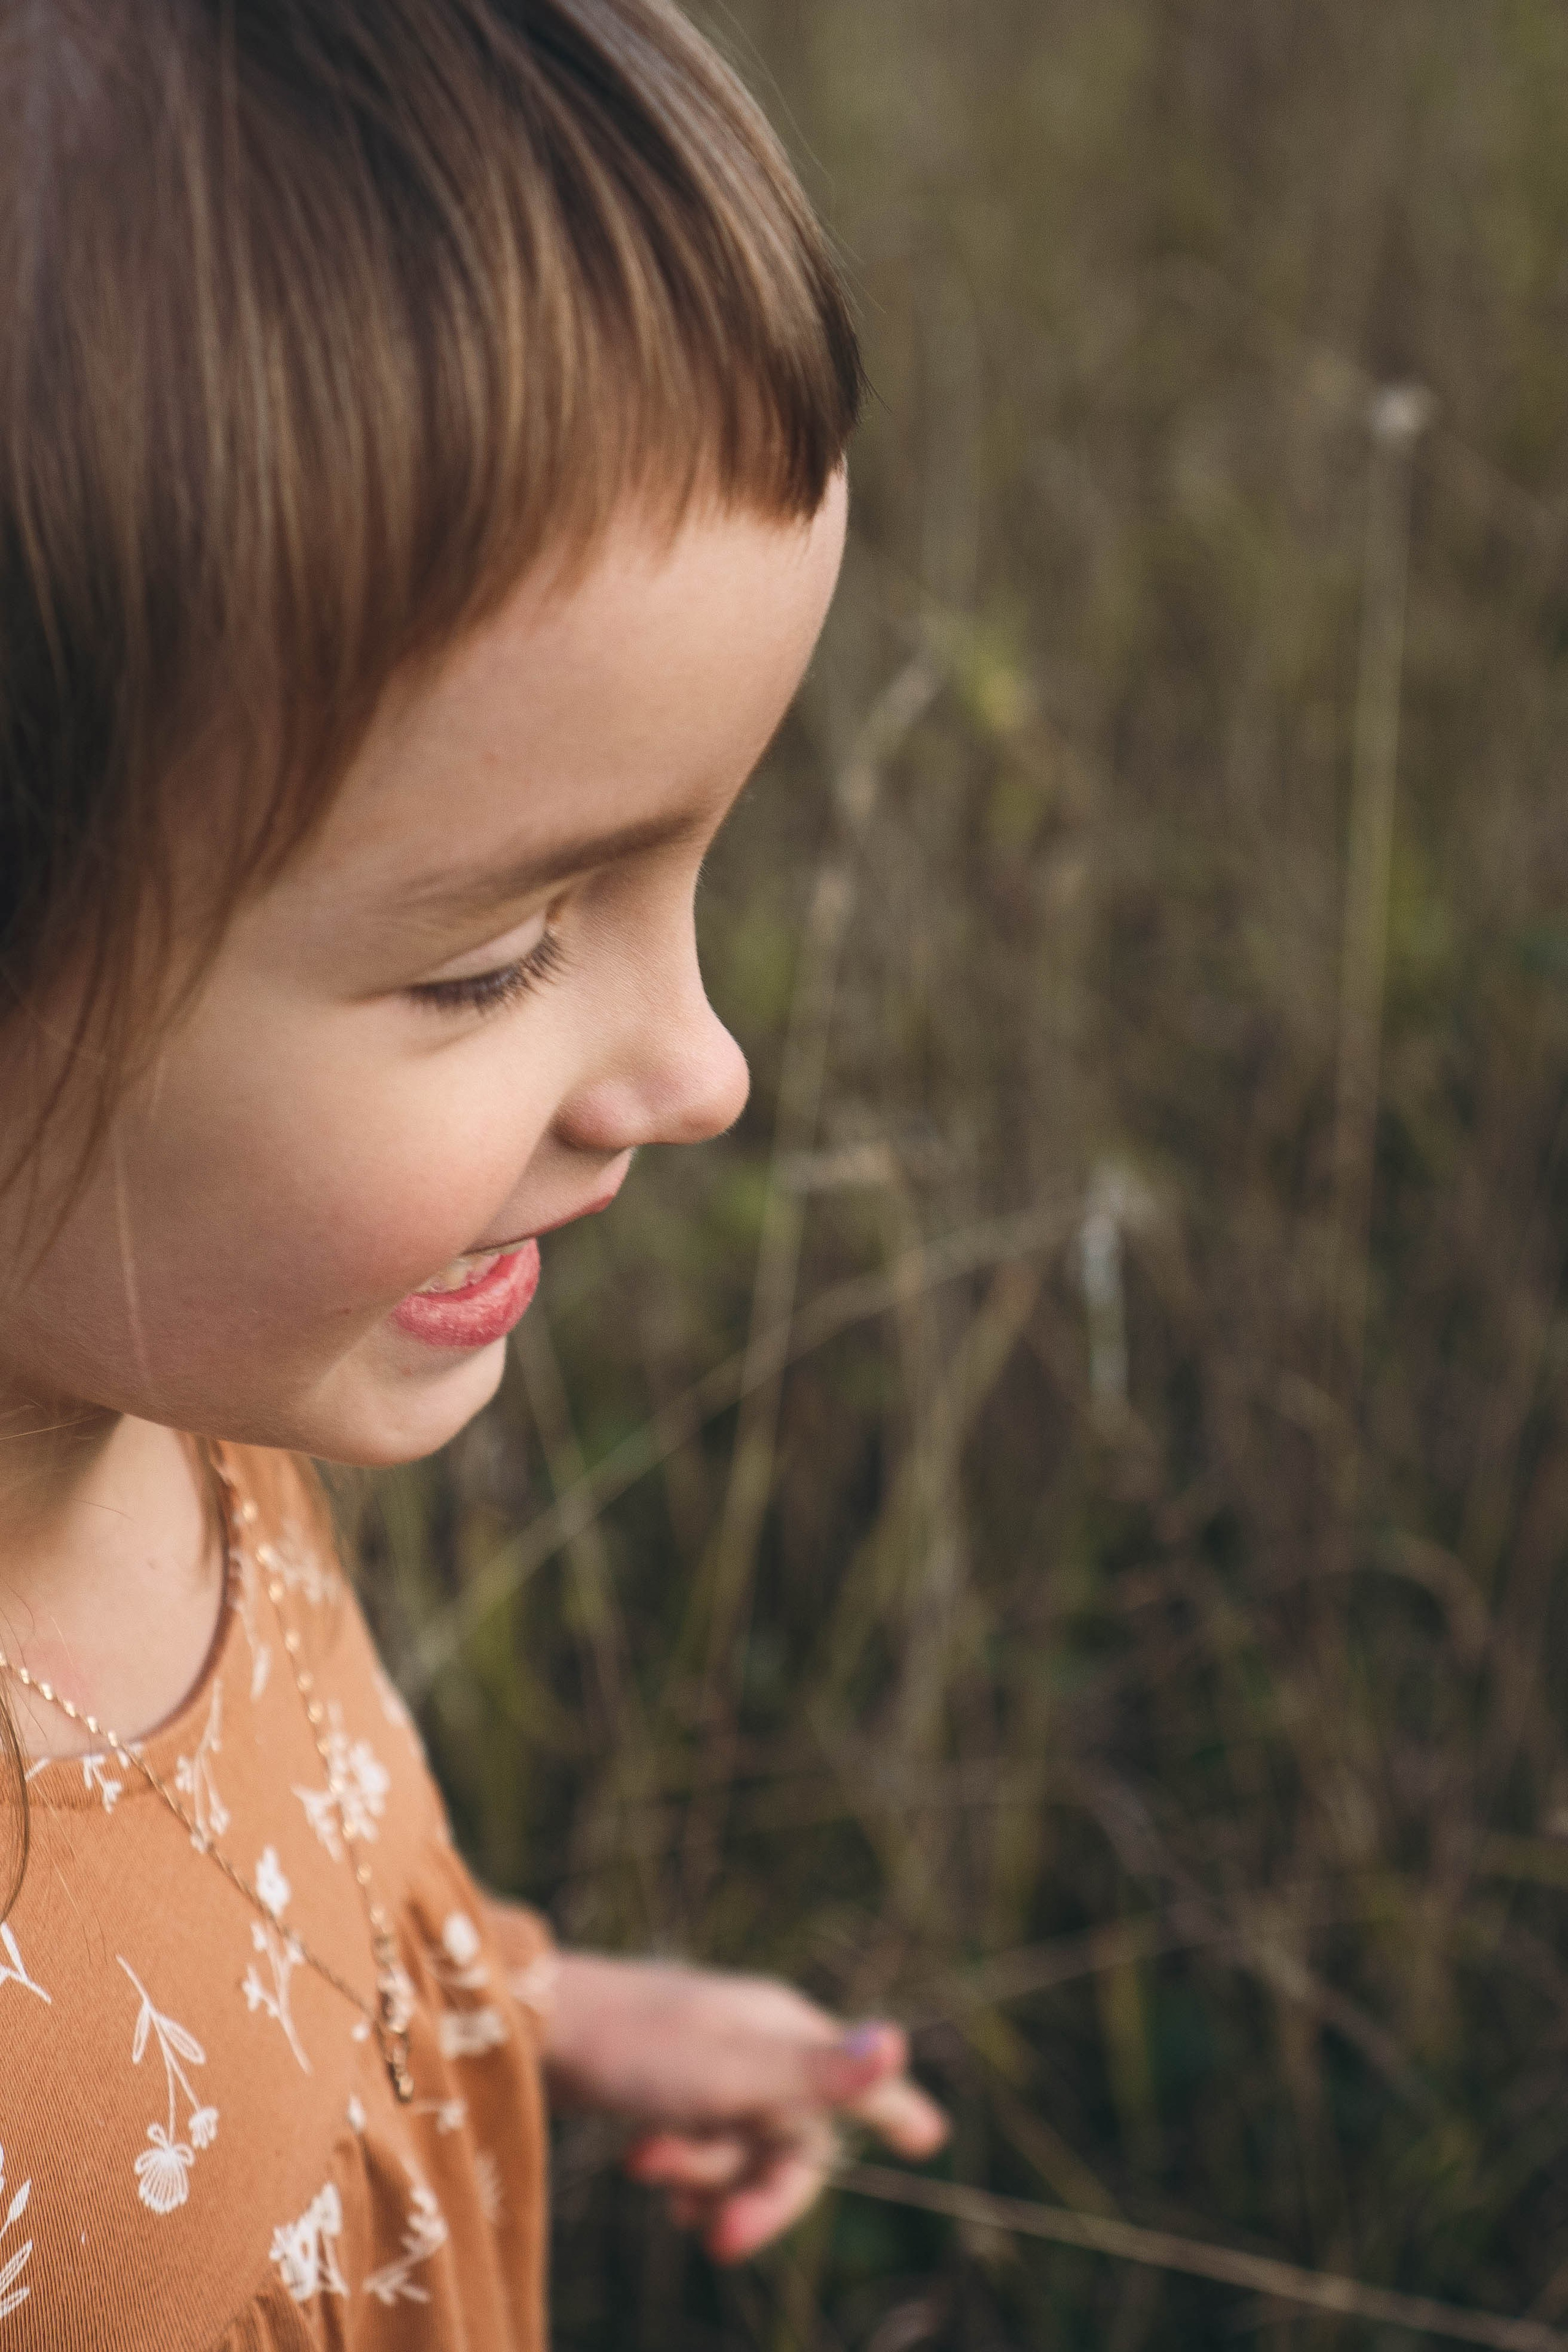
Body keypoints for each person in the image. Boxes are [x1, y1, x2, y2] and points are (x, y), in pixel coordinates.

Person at [0, 1, 949, 2342]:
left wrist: (521, 2003)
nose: (703, 1070)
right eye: (494, 958)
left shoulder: (168, 1370)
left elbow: (248, 1891)